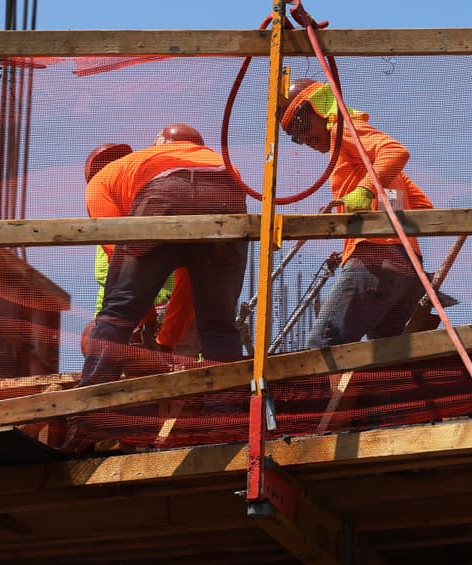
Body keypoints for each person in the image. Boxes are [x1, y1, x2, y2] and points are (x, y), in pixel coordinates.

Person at [79, 123, 247, 386]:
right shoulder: (198, 157)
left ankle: (91, 399)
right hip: (227, 187)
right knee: (219, 324)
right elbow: (189, 279)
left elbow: (120, 253)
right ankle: (226, 408)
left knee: (117, 312)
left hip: (166, 193)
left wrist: (143, 322)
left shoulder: (101, 181)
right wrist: (165, 341)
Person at [277, 78, 434, 347]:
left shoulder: (342, 129)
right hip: (406, 270)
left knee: (322, 349)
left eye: (301, 126)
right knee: (384, 357)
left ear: (318, 107)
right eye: (295, 136)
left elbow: (395, 151)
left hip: (374, 262)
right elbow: (420, 204)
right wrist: (357, 234)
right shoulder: (366, 162)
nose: (304, 139)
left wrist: (364, 192)